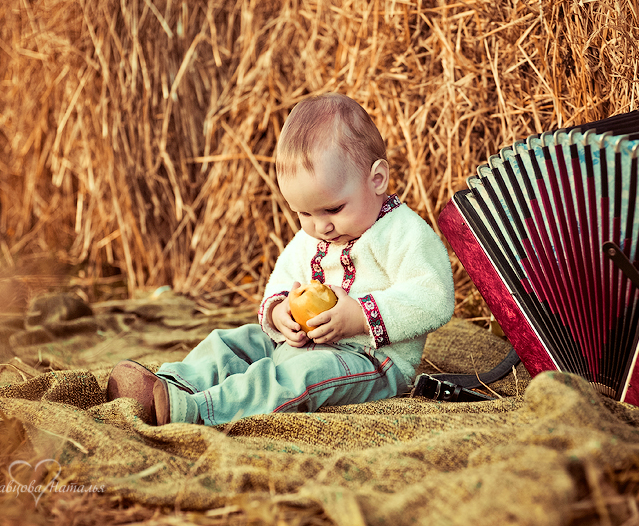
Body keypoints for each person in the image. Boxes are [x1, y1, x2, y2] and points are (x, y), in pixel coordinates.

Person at [106, 92, 456, 425]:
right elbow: (283, 280)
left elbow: (434, 297)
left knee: (300, 376)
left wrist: (359, 317)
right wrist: (280, 312)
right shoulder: (311, 238)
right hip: (300, 344)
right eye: (304, 213)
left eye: (334, 209)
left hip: (370, 361)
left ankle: (199, 410)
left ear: (376, 179)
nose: (321, 226)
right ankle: (170, 385)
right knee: (233, 342)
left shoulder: (402, 232)